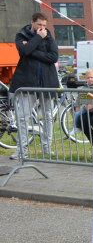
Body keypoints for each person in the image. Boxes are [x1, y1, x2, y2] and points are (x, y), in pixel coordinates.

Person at [9, 12, 60, 160]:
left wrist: (32, 51)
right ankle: (21, 150)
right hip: (27, 82)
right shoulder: (21, 35)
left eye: (44, 26)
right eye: (39, 25)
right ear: (32, 22)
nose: (42, 28)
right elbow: (23, 51)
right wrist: (38, 38)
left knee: (48, 116)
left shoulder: (49, 36)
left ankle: (47, 148)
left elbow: (53, 57)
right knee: (23, 117)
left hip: (47, 82)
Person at [70, 69, 93, 136]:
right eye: (88, 78)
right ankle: (76, 127)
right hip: (86, 107)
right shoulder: (85, 88)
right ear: (85, 79)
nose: (90, 79)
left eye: (92, 77)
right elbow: (79, 98)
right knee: (77, 114)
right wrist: (77, 105)